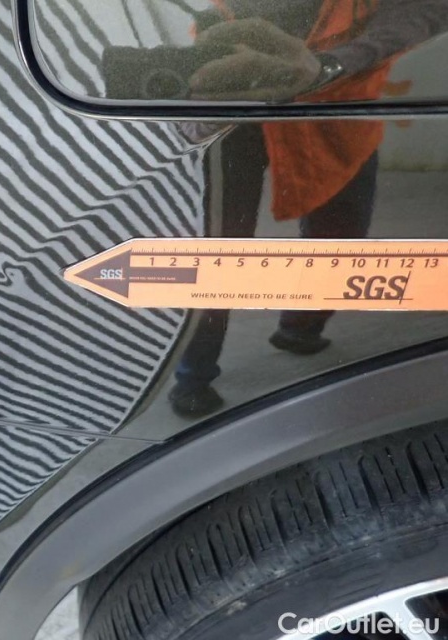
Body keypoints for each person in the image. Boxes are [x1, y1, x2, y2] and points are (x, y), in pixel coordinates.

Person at [168, 0, 448, 417]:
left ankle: (301, 326)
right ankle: (193, 374)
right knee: (216, 249)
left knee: (340, 237)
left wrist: (329, 66)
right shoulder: (211, 20)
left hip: (339, 108)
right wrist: (204, 107)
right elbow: (187, 123)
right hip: (239, 110)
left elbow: (428, 8)